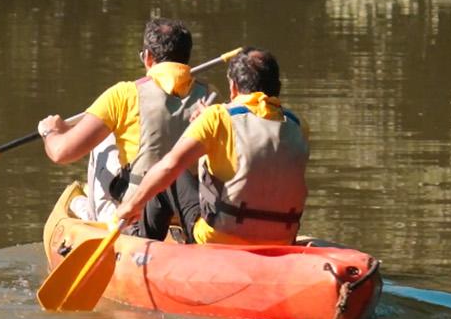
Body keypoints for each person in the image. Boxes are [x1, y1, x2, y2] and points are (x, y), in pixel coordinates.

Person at [37, 17, 210, 240]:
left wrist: (51, 131)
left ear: (147, 57)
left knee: (102, 141)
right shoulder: (211, 97)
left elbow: (61, 153)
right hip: (194, 212)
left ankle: (93, 214)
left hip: (138, 214)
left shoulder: (124, 94)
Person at [113, 47, 308, 245]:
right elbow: (260, 150)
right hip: (283, 238)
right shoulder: (298, 125)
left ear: (233, 87)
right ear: (278, 87)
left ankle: (140, 242)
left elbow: (169, 167)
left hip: (221, 237)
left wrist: (131, 205)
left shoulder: (217, 118)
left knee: (172, 174)